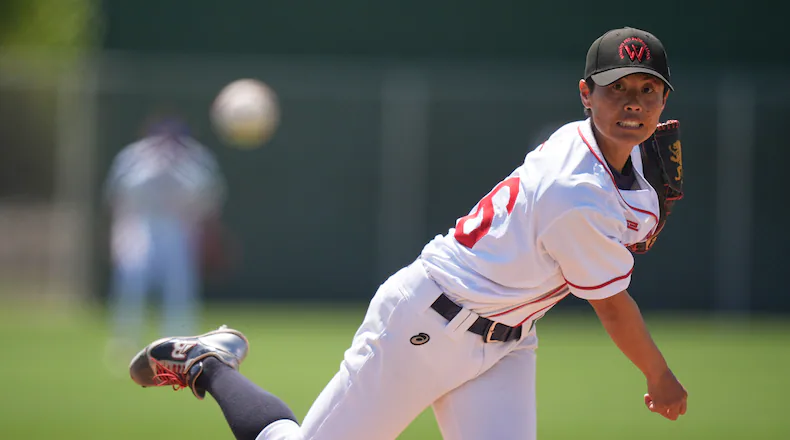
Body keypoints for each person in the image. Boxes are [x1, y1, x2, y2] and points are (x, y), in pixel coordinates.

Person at [128, 27, 688, 440]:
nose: (633, 103)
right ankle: (207, 364)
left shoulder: (610, 157)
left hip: (508, 341)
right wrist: (659, 376)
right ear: (586, 94)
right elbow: (612, 307)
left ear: (665, 99)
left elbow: (626, 209)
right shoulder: (575, 190)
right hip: (426, 323)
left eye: (647, 89)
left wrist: (638, 214)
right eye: (617, 89)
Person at [104, 113, 227, 359]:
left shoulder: (195, 158)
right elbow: (118, 194)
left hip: (178, 227)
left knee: (179, 284)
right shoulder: (134, 156)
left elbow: (208, 196)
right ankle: (125, 340)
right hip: (139, 224)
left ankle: (180, 345)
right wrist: (116, 232)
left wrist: (176, 166)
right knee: (133, 280)